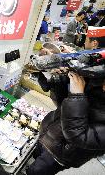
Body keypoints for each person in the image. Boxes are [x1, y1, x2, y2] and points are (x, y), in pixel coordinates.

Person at [27, 34, 105, 175]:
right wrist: (58, 76)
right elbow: (62, 102)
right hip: (50, 133)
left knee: (36, 172)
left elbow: (78, 136)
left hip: (62, 154)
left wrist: (77, 96)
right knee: (35, 156)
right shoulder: (96, 83)